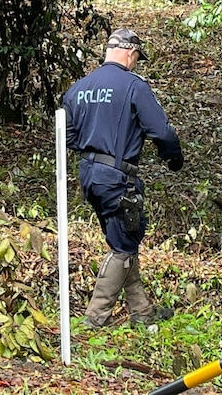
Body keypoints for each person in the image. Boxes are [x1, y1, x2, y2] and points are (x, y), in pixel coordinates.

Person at [62, 28, 184, 328]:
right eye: (138, 59)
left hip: (89, 174)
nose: (137, 64)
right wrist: (173, 158)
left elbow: (66, 134)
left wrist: (93, 148)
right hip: (118, 177)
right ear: (130, 54)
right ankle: (95, 316)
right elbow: (162, 131)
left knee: (124, 238)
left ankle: (142, 313)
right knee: (123, 245)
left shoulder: (78, 88)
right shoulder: (133, 86)